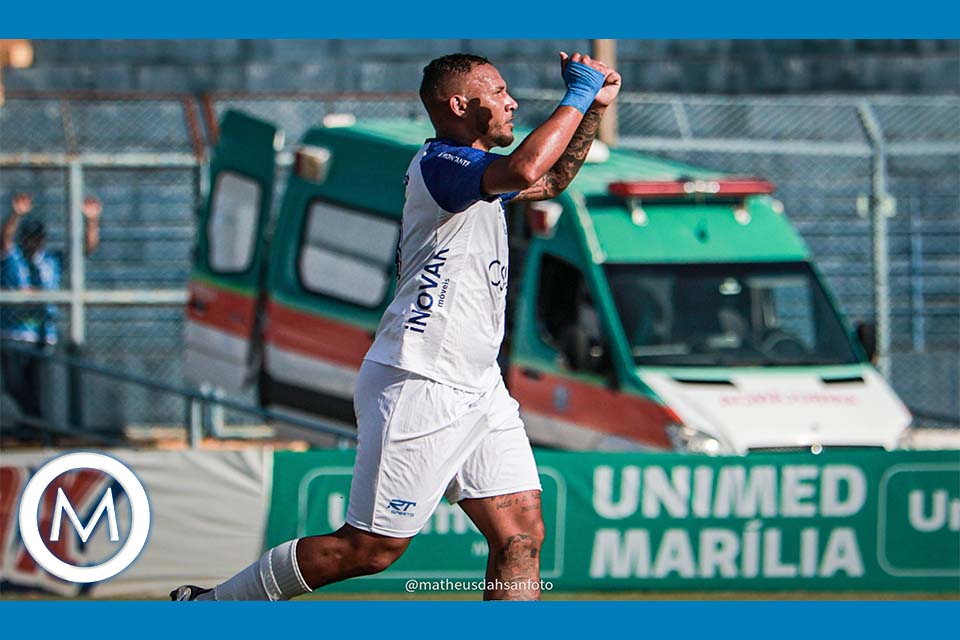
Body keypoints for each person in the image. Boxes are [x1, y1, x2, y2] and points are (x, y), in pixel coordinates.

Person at [172, 51, 620, 602]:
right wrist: (573, 95)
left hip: (479, 388)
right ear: (460, 105)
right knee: (368, 550)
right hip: (420, 381)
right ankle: (209, 607)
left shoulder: (481, 175)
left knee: (521, 535)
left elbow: (549, 182)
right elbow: (528, 168)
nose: (511, 103)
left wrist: (593, 108)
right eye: (498, 92)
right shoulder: (442, 165)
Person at [0, 192, 101, 431]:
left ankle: (35, 426)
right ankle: (34, 423)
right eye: (28, 238)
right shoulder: (13, 258)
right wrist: (16, 214)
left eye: (37, 238)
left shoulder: (50, 261)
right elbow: (5, 239)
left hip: (43, 334)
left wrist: (92, 221)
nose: (32, 243)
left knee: (40, 386)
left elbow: (85, 249)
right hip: (14, 334)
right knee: (14, 383)